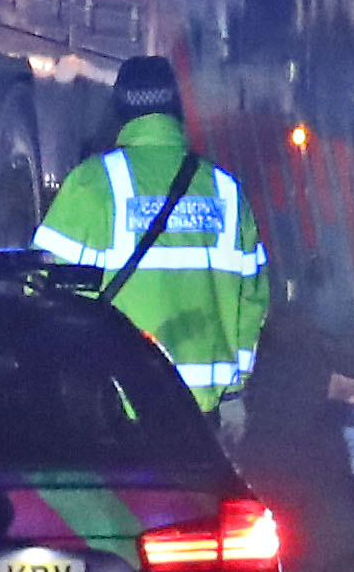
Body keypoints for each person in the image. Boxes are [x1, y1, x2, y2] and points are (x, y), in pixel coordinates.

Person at [31, 56, 268, 438]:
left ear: (121, 109)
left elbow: (41, 287)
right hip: (200, 422)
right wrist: (235, 392)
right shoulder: (226, 191)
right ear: (176, 108)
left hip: (115, 415)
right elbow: (252, 300)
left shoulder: (94, 184)